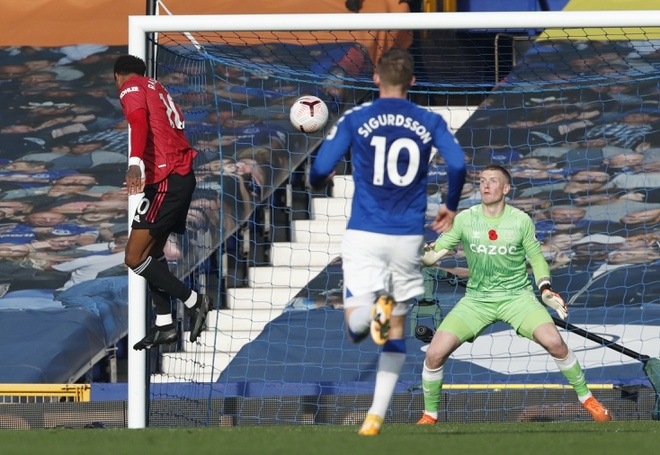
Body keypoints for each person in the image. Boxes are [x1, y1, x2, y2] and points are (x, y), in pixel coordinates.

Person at [308, 48, 467, 436]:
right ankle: (375, 417)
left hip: (365, 231)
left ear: (375, 79)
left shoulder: (356, 117)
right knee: (396, 328)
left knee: (355, 327)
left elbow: (319, 170)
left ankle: (368, 314)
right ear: (413, 81)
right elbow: (459, 164)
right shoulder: (429, 119)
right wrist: (449, 205)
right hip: (407, 235)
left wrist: (319, 182)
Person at [416, 164, 611, 425]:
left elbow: (538, 259)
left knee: (555, 343)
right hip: (477, 301)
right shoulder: (465, 218)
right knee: (434, 354)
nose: (485, 186)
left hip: (517, 298)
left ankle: (588, 400)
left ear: (506, 188)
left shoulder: (520, 220)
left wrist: (544, 289)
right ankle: (430, 416)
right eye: (483, 181)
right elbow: (434, 254)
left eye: (493, 181)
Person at [113, 54, 211, 350]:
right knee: (153, 252)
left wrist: (135, 164)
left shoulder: (130, 87)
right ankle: (165, 323)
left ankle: (194, 300)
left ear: (117, 76)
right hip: (176, 177)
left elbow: (139, 122)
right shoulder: (156, 87)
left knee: (133, 258)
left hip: (168, 180)